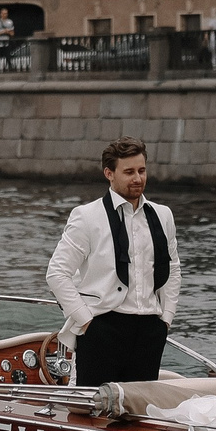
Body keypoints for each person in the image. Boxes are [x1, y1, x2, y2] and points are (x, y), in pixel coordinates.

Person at [46, 137, 180, 387]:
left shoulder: (163, 215)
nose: (138, 178)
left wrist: (166, 320)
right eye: (129, 172)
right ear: (109, 173)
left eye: (142, 170)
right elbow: (57, 273)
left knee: (138, 408)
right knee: (94, 406)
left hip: (149, 331)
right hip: (103, 327)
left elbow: (172, 269)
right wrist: (87, 322)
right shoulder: (86, 217)